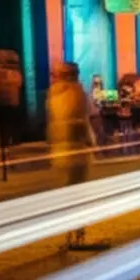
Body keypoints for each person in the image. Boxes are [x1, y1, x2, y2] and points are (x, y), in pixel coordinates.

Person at [47, 62, 95, 247]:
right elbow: (81, 121)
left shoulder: (53, 94)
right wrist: (90, 140)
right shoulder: (76, 93)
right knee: (78, 194)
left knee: (68, 194)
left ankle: (69, 234)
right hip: (76, 149)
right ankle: (78, 234)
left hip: (60, 150)